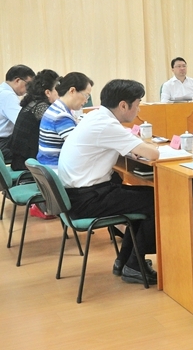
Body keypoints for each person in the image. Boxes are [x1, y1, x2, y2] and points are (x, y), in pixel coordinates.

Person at [58, 79, 160, 285]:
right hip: (87, 199)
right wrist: (143, 148)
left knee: (143, 197)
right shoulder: (106, 124)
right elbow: (153, 154)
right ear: (123, 105)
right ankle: (134, 265)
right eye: (137, 104)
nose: (139, 109)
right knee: (156, 200)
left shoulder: (95, 116)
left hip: (77, 195)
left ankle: (125, 261)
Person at [37, 72, 93, 167]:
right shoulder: (61, 115)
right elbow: (78, 146)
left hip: (48, 164)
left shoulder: (56, 107)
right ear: (72, 91)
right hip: (56, 167)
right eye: (86, 95)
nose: (86, 100)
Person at [8, 69, 60, 171]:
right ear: (48, 92)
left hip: (21, 160)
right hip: (27, 164)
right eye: (57, 90)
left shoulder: (33, 103)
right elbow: (57, 128)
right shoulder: (41, 107)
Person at [0, 64, 35, 160]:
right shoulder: (8, 96)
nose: (29, 89)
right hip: (3, 144)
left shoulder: (2, 91)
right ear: (17, 80)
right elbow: (23, 122)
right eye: (28, 84)